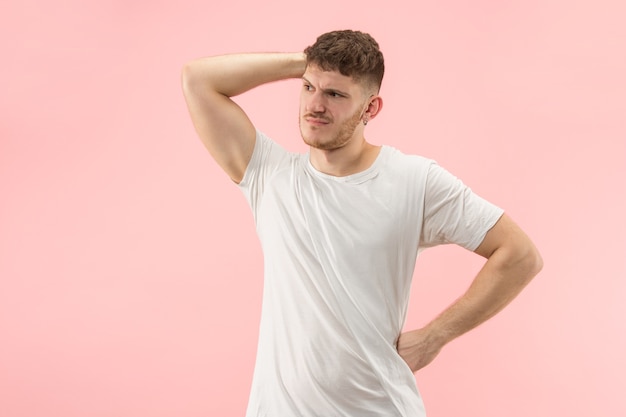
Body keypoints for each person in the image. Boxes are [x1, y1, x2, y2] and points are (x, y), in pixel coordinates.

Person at [182, 30, 543, 417]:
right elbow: (198, 79)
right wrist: (304, 62)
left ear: (371, 108)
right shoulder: (270, 176)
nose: (315, 105)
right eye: (308, 88)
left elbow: (521, 256)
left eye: (335, 94)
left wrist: (435, 337)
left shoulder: (413, 181)